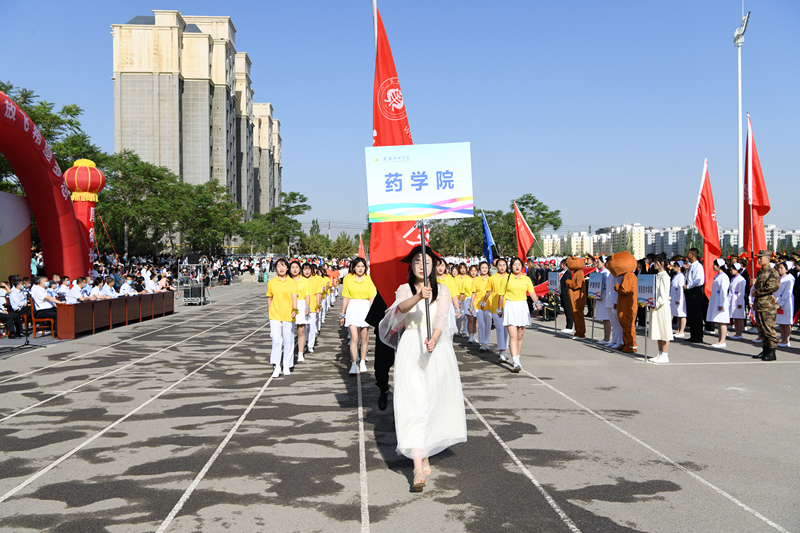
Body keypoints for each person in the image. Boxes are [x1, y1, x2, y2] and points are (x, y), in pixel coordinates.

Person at [378, 245, 466, 492]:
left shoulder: (443, 290)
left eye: (426, 262)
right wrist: (419, 297)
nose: (421, 266)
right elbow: (400, 310)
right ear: (411, 265)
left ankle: (424, 450)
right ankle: (417, 465)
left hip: (435, 349)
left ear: (434, 266)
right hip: (410, 347)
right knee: (413, 403)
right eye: (417, 261)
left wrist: (434, 339)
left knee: (432, 401)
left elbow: (441, 320)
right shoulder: (404, 289)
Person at [499, 257, 539, 373]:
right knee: (513, 336)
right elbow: (501, 295)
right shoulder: (506, 279)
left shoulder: (526, 279)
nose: (517, 266)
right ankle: (515, 362)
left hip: (522, 307)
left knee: (520, 336)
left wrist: (537, 302)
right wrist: (500, 309)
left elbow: (532, 292)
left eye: (519, 264)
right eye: (515, 264)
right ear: (511, 266)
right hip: (510, 306)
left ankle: (517, 357)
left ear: (522, 266)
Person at [340, 257, 377, 375]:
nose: (360, 269)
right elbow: (346, 298)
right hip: (353, 308)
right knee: (354, 338)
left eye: (362, 266)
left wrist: (373, 313)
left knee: (364, 338)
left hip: (365, 308)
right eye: (358, 266)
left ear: (365, 268)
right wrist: (342, 314)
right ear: (354, 268)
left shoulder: (370, 280)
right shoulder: (349, 280)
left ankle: (362, 361)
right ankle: (353, 363)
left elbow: (372, 297)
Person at [266, 258, 298, 377]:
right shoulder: (272, 282)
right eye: (279, 266)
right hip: (275, 314)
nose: (281, 268)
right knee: (276, 340)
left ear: (287, 268)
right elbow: (270, 299)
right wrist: (269, 313)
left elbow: (294, 297)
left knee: (288, 340)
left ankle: (286, 365)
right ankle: (277, 366)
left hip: (288, 314)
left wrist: (294, 310)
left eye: (283, 266)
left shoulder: (292, 282)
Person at [752, 251, 781, 361]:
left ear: (768, 258)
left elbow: (773, 287)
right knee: (761, 330)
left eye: (761, 257)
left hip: (768, 305)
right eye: (758, 258)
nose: (759, 259)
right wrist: (755, 283)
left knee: (769, 329)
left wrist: (757, 292)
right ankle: (765, 350)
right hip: (759, 304)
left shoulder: (772, 272)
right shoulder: (760, 272)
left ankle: (772, 352)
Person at [481, 258, 510, 360]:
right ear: (496, 266)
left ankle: (504, 348)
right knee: (500, 329)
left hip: (509, 306)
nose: (502, 267)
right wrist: (484, 302)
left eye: (504, 265)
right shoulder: (492, 278)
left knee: (507, 330)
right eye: (500, 265)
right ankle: (502, 351)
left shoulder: (510, 277)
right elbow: (488, 292)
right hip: (496, 307)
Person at [649, 254, 672, 363]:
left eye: (656, 262)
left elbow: (664, 295)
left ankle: (665, 355)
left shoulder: (665, 276)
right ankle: (660, 353)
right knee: (658, 330)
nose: (654, 264)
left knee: (664, 330)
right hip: (655, 306)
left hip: (662, 307)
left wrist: (656, 303)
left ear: (662, 263)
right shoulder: (656, 275)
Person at [706, 259, 730, 348]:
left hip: (721, 301)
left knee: (722, 321)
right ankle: (720, 340)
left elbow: (723, 291)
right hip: (717, 300)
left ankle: (722, 341)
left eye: (715, 265)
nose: (713, 266)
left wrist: (721, 304)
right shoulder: (719, 276)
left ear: (719, 266)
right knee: (719, 321)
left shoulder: (724, 277)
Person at [290, 261, 311, 361]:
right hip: (289, 304)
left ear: (300, 269)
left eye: (296, 267)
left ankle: (300, 352)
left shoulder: (305, 281)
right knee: (289, 330)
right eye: (292, 267)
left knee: (301, 330)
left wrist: (307, 307)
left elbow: (307, 295)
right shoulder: (288, 280)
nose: (294, 269)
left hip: (301, 304)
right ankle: (289, 352)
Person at [684, 248, 706, 343]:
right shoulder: (691, 266)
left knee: (696, 314)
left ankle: (698, 336)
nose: (687, 255)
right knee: (691, 314)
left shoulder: (698, 266)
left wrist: (688, 286)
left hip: (695, 290)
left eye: (688, 253)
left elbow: (698, 280)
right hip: (690, 290)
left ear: (693, 255)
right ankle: (693, 335)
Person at [471, 261, 492, 352]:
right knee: (481, 324)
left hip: (489, 305)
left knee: (488, 324)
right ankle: (482, 343)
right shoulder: (476, 280)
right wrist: (471, 305)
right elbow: (473, 293)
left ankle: (486, 343)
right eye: (482, 268)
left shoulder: (491, 279)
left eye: (486, 268)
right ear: (479, 269)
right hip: (478, 305)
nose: (484, 269)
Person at [594, 255, 613, 345]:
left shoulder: (607, 273)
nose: (597, 263)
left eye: (599, 262)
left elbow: (606, 287)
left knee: (607, 319)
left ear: (604, 263)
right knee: (604, 319)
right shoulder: (601, 272)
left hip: (605, 298)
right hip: (601, 298)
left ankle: (607, 338)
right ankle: (605, 338)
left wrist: (600, 294)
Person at [775, 261, 795, 348]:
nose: (779, 269)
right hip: (778, 302)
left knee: (786, 322)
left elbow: (787, 293)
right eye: (779, 268)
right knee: (781, 322)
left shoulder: (789, 279)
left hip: (786, 303)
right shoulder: (778, 279)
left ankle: (786, 340)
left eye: (781, 268)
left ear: (787, 270)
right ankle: (782, 339)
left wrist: (781, 303)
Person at [728, 263, 746, 340]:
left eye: (732, 270)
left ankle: (739, 333)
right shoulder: (733, 278)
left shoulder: (741, 279)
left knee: (739, 318)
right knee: (735, 317)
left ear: (736, 270)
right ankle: (736, 333)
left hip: (738, 300)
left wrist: (739, 302)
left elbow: (741, 292)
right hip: (733, 299)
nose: (730, 271)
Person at [670, 261, 687, 337]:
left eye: (675, 266)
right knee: (677, 314)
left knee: (681, 314)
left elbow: (680, 288)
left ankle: (682, 331)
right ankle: (678, 330)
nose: (674, 268)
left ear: (679, 267)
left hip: (680, 298)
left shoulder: (681, 276)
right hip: (674, 297)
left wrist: (678, 299)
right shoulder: (675, 276)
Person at [559, 260, 574, 335]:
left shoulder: (568, 273)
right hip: (562, 293)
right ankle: (568, 325)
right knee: (565, 309)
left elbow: (567, 284)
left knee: (568, 310)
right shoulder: (562, 272)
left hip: (566, 293)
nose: (560, 265)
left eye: (561, 264)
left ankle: (570, 326)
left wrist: (562, 291)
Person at [464, 265, 479, 343]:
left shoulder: (479, 280)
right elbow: (462, 291)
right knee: (470, 319)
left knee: (476, 319)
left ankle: (474, 335)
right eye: (472, 270)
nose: (473, 272)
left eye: (475, 271)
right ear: (469, 271)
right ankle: (470, 335)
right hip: (468, 300)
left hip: (477, 300)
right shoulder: (466, 280)